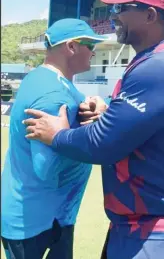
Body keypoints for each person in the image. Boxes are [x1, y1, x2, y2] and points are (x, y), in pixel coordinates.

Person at [23, 0, 164, 259]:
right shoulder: (153, 60)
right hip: (145, 222)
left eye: (121, 8)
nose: (112, 16)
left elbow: (102, 144)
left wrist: (57, 135)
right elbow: (142, 125)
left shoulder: (162, 65)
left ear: (150, 15)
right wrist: (107, 109)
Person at [1, 18, 108, 259]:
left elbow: (80, 103)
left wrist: (102, 104)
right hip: (37, 223)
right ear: (71, 47)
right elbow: (46, 169)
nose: (94, 52)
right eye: (90, 45)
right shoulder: (52, 96)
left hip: (44, 216)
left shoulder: (47, 79)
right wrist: (77, 139)